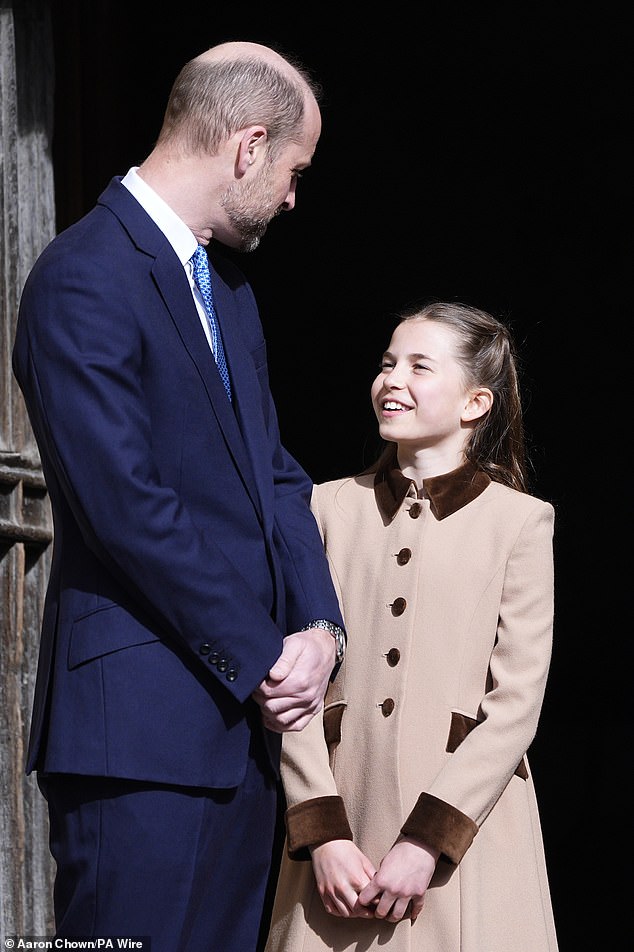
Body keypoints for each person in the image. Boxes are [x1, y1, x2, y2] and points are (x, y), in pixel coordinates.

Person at [12, 40, 346, 952]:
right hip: (140, 744)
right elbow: (128, 505)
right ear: (246, 146)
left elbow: (274, 472)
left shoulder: (228, 290)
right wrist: (265, 654)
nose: (289, 196)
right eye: (291, 169)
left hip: (243, 738)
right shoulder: (83, 277)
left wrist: (321, 630)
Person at [265, 301, 559, 952]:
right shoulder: (320, 508)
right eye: (387, 363)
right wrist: (323, 832)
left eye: (419, 366)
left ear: (475, 403)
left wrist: (428, 842)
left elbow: (515, 705)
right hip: (339, 836)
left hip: (466, 838)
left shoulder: (521, 523)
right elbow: (290, 681)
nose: (392, 379)